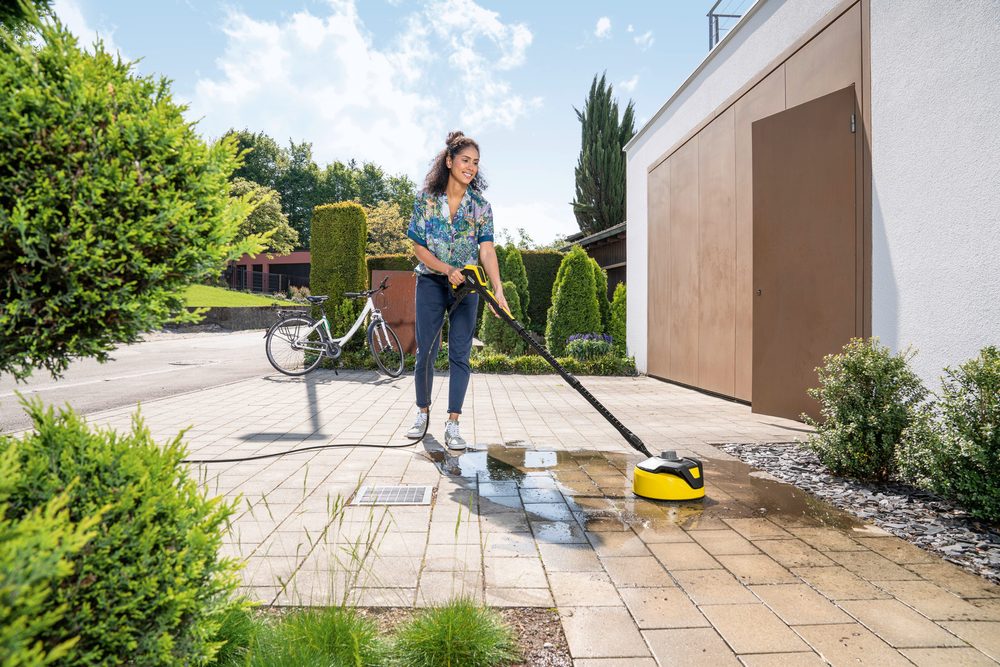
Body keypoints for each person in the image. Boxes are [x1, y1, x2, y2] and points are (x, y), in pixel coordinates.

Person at [405, 130, 508, 449]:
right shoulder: (425, 201)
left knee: (460, 353)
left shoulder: (481, 207)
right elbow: (419, 248)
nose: (471, 167)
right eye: (465, 160)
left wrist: (498, 290)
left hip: (468, 286)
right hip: (432, 283)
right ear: (449, 161)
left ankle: (453, 423)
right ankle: (422, 412)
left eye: (476, 163)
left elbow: (487, 250)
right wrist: (446, 269)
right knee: (427, 351)